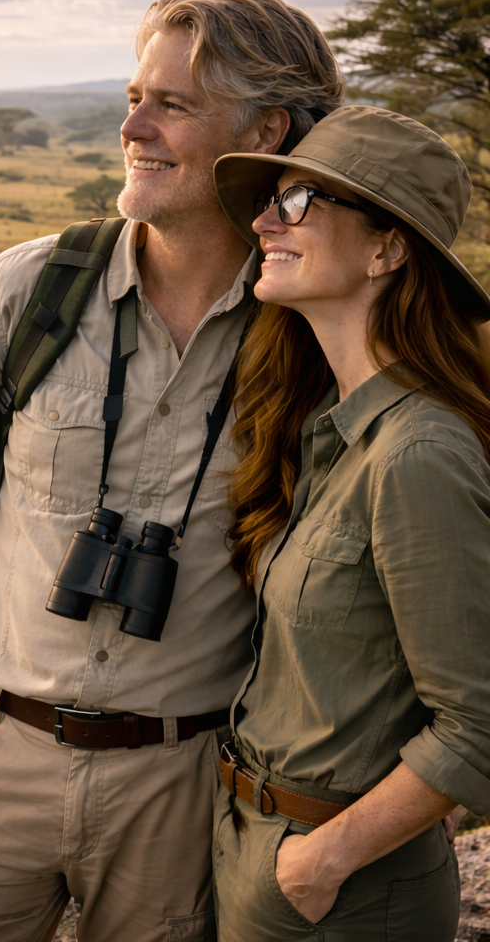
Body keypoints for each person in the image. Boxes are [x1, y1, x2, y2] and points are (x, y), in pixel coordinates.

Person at [0, 0, 343, 942]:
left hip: (186, 780)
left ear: (266, 131)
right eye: (134, 98)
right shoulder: (25, 292)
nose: (132, 128)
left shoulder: (313, 333)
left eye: (172, 105)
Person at [210, 105, 490, 941]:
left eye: (299, 202)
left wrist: (321, 862)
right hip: (259, 850)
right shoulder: (325, 427)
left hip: (340, 889)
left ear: (387, 251)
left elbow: (478, 721)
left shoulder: (418, 452)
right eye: (272, 202)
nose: (265, 222)